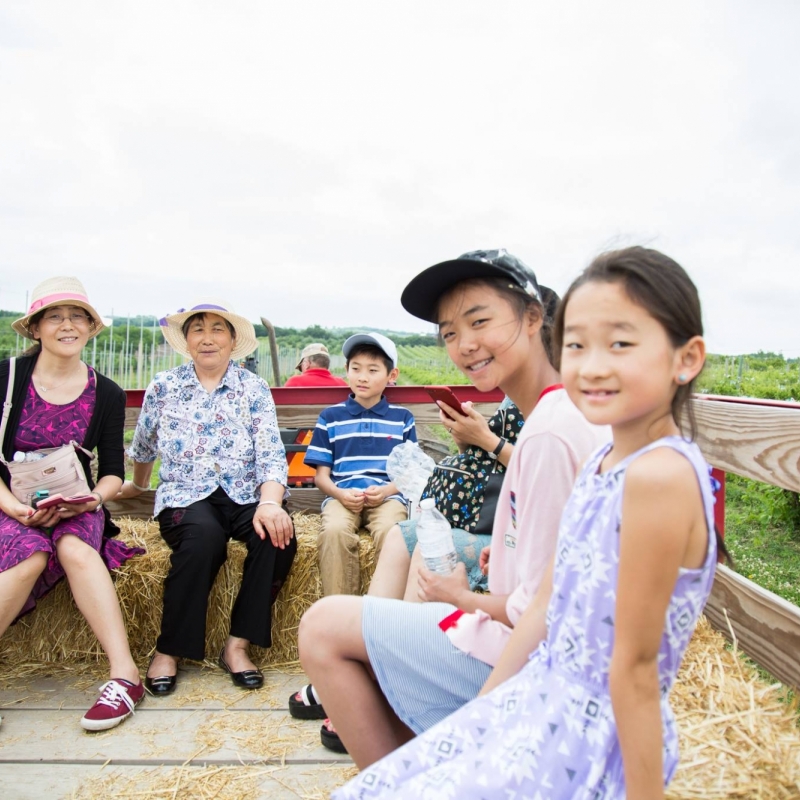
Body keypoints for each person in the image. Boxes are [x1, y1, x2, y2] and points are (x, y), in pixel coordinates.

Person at [333, 246, 725, 799]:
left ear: (685, 359)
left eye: (620, 343)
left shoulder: (659, 477)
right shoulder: (604, 461)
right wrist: (486, 714)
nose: (592, 365)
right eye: (578, 345)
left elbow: (634, 673)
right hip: (540, 698)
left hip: (585, 737)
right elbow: (549, 599)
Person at [296, 249, 608, 760]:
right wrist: (504, 555)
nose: (464, 345)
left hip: (532, 667)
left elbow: (543, 614)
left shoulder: (549, 433)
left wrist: (462, 598)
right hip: (527, 641)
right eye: (448, 333)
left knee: (321, 626)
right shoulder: (557, 413)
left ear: (534, 317)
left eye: (479, 320)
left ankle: (403, 778)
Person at [120, 299, 296, 696]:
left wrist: (269, 502)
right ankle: (169, 649)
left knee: (277, 536)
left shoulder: (253, 388)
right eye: (198, 329)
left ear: (233, 341)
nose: (208, 337)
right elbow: (144, 446)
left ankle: (237, 645)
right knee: (203, 539)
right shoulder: (165, 386)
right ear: (186, 341)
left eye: (218, 329)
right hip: (186, 494)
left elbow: (270, 454)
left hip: (243, 492)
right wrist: (139, 486)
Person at [0, 277, 145, 731]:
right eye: (56, 316)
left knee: (76, 550)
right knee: (31, 555)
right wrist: (15, 509)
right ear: (36, 328)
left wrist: (91, 500)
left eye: (77, 316)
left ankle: (125, 676)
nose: (68, 325)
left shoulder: (107, 392)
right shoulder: (6, 377)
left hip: (75, 507)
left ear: (89, 327)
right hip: (9, 503)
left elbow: (114, 471)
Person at [304, 332, 417, 598]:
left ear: (392, 375)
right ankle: (340, 611)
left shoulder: (402, 418)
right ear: (346, 370)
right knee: (333, 531)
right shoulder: (331, 417)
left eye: (373, 370)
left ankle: (384, 612)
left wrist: (388, 491)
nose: (362, 377)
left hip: (388, 498)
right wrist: (340, 494)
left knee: (393, 533)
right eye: (356, 369)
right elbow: (322, 477)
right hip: (343, 496)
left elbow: (411, 474)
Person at [283, 343, 348, 387]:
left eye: (301, 366)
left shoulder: (294, 382)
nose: (301, 371)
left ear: (307, 364)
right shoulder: (341, 384)